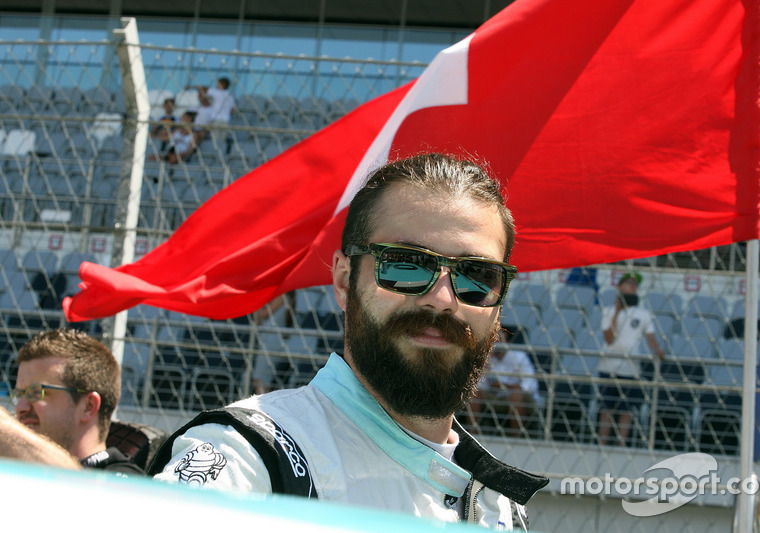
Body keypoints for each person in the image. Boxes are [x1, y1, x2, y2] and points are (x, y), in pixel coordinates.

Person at [150, 153, 548, 529]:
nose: (442, 299)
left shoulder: (501, 505)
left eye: (477, 275)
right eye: (406, 265)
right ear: (344, 281)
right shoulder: (251, 456)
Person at [3, 328, 144, 474]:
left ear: (88, 406)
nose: (20, 407)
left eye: (36, 392)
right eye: (19, 394)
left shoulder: (125, 483)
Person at [596, 271, 664, 446]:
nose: (632, 286)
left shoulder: (643, 314)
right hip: (608, 366)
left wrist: (658, 350)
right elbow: (609, 339)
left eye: (635, 283)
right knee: (607, 407)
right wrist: (617, 313)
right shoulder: (609, 311)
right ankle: (603, 442)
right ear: (620, 287)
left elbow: (651, 338)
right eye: (628, 283)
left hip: (631, 368)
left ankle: (622, 444)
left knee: (626, 409)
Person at [466, 327, 541, 437]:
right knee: (475, 394)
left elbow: (531, 385)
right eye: (494, 340)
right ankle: (473, 433)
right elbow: (478, 386)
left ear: (508, 342)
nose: (497, 343)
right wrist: (483, 370)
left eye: (500, 339)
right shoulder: (486, 358)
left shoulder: (519, 357)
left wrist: (507, 386)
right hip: (493, 396)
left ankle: (516, 437)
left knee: (516, 395)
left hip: (516, 397)